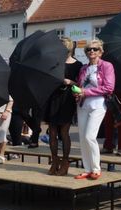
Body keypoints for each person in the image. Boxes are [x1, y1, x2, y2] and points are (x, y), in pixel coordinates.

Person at [74, 39, 115, 180]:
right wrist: (78, 93)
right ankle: (87, 169)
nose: (92, 51)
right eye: (89, 49)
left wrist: (86, 92)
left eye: (95, 49)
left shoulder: (107, 66)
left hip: (98, 105)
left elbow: (109, 88)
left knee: (89, 136)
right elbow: (81, 87)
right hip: (83, 105)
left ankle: (96, 169)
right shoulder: (83, 69)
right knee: (82, 138)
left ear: (101, 52)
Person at [44, 37, 83, 175]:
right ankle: (55, 161)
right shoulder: (54, 63)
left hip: (67, 99)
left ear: (70, 49)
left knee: (64, 132)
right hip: (53, 98)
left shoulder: (78, 65)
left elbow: (81, 84)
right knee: (52, 132)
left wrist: (70, 82)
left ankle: (65, 162)